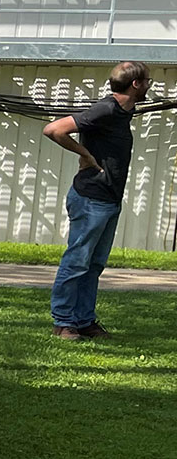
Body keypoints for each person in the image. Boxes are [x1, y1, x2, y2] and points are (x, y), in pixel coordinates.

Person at [43, 61, 150, 340]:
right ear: (135, 84)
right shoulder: (106, 109)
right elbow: (54, 129)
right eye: (147, 80)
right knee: (77, 261)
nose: (150, 84)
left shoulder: (124, 112)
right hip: (91, 198)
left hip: (109, 199)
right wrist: (86, 155)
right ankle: (63, 322)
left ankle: (84, 321)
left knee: (94, 264)